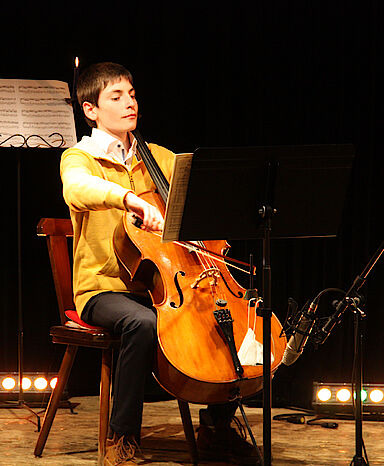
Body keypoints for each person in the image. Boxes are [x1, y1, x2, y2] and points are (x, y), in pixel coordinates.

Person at [60, 62, 259, 465]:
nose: (129, 103)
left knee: (226, 314)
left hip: (168, 282)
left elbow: (203, 201)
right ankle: (122, 437)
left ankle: (217, 426)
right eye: (116, 97)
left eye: (132, 94)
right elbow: (77, 189)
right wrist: (127, 199)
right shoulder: (80, 158)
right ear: (91, 110)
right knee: (141, 322)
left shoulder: (161, 158)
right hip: (104, 288)